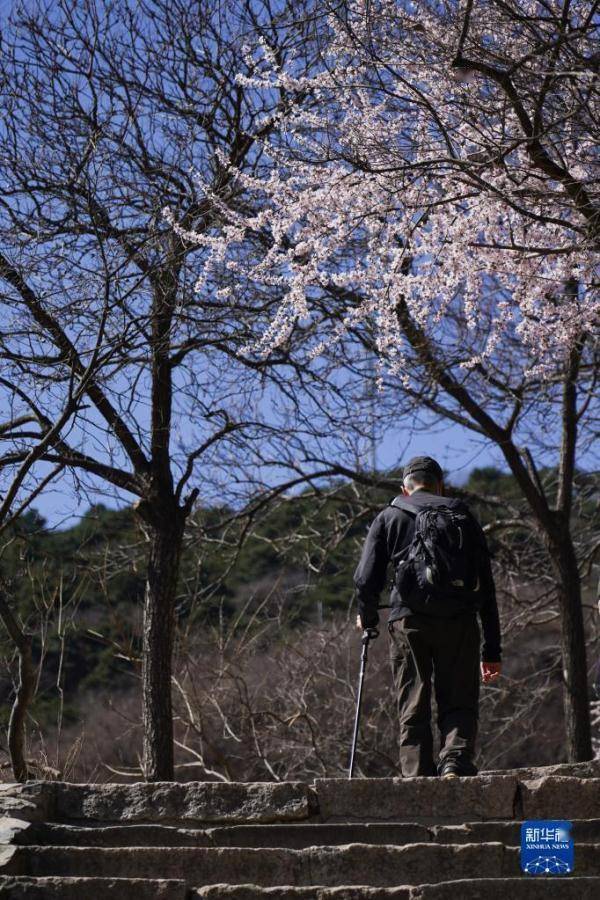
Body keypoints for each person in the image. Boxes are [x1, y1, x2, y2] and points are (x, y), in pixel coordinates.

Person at [353, 455, 502, 778]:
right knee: (459, 697)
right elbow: (486, 586)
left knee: (413, 695)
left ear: (404, 489)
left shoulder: (390, 515)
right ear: (440, 485)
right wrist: (492, 650)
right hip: (460, 620)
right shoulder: (462, 515)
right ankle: (456, 762)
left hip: (409, 620)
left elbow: (366, 578)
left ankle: (417, 773)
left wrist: (368, 616)